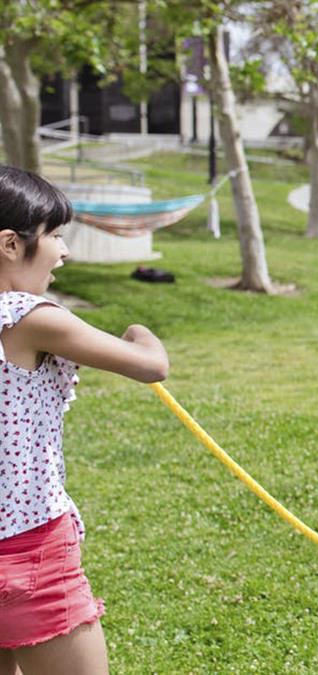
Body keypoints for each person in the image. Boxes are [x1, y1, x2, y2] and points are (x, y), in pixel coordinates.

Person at [0, 166, 170, 674]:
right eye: (54, 235)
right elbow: (150, 365)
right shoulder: (28, 316)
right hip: (30, 550)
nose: (64, 251)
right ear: (10, 244)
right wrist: (141, 330)